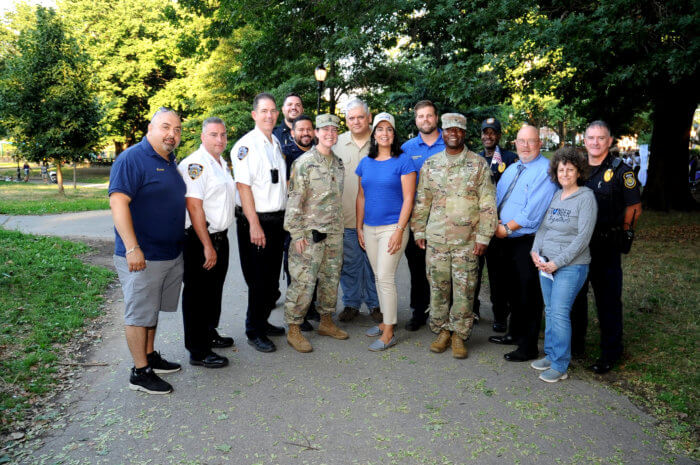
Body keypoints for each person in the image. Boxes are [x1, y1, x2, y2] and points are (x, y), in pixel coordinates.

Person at [109, 108, 185, 394]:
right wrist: (132, 248)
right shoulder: (132, 158)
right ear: (150, 128)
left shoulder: (168, 160)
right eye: (166, 127)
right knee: (139, 314)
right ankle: (140, 373)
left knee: (152, 312)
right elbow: (118, 203)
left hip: (168, 254)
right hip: (142, 256)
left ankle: (150, 357)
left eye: (177, 130)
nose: (172, 134)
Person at [412, 113, 497, 358]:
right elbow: (422, 200)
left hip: (467, 242)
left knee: (465, 289)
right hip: (437, 239)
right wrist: (418, 229)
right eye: (449, 129)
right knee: (438, 287)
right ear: (443, 132)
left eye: (458, 130)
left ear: (464, 133)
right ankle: (442, 330)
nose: (453, 134)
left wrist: (483, 237)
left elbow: (488, 204)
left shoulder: (478, 164)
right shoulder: (431, 164)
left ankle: (460, 334)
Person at [570, 121, 642, 374]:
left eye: (601, 138)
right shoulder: (578, 170)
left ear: (609, 141)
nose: (596, 142)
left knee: (608, 301)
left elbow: (634, 208)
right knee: (576, 297)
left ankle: (611, 352)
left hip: (606, 245)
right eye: (591, 138)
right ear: (585, 141)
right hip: (579, 245)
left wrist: (625, 236)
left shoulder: (623, 172)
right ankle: (575, 345)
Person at [488, 124, 557, 362]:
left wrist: (506, 228)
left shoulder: (546, 171)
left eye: (531, 141)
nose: (525, 146)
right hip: (504, 239)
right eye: (521, 141)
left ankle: (528, 346)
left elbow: (534, 211)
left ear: (539, 143)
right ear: (515, 143)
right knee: (512, 290)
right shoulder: (512, 168)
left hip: (526, 240)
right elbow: (498, 197)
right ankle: (514, 334)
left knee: (528, 294)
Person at [530, 147, 597, 382]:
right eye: (561, 169)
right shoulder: (556, 196)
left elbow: (583, 237)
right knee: (550, 310)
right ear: (555, 172)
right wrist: (535, 252)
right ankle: (550, 354)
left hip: (571, 266)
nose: (565, 174)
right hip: (546, 265)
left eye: (570, 169)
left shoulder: (586, 197)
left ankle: (560, 365)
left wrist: (558, 262)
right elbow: (544, 227)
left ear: (579, 172)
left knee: (559, 312)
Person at [284, 114, 349, 352]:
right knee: (303, 282)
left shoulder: (339, 163)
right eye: (325, 130)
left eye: (334, 130)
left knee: (330, 281)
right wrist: (297, 234)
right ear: (316, 134)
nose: (330, 134)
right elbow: (294, 200)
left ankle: (326, 321)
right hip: (309, 235)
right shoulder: (304, 163)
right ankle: (293, 328)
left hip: (333, 232)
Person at [231, 92, 287, 353]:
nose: (269, 115)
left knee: (272, 278)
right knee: (258, 279)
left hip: (277, 221)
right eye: (264, 111)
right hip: (256, 221)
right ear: (254, 115)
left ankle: (263, 321)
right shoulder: (245, 146)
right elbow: (243, 187)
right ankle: (254, 330)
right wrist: (254, 224)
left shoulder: (274, 142)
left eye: (273, 110)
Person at [356, 112, 417, 351]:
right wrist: (359, 226)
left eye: (389, 129)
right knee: (378, 277)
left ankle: (389, 331)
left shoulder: (404, 161)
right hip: (369, 228)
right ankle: (384, 321)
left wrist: (400, 230)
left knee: (385, 277)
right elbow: (361, 197)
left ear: (394, 134)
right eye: (380, 129)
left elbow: (409, 198)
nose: (384, 133)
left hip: (393, 227)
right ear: (374, 134)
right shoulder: (366, 163)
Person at [177, 117, 235, 369]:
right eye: (214, 134)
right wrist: (207, 246)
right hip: (201, 240)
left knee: (214, 291)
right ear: (203, 136)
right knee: (197, 295)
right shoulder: (195, 164)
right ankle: (198, 350)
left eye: (223, 135)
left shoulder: (221, 163)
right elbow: (194, 206)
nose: (220, 139)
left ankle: (209, 333)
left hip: (220, 237)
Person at [400, 100, 445, 332]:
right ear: (416, 120)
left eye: (429, 116)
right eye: (421, 116)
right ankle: (418, 311)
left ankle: (442, 313)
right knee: (417, 268)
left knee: (441, 268)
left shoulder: (448, 143)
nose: (425, 120)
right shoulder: (407, 148)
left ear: (436, 118)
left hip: (444, 219)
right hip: (416, 218)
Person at [333, 99, 380, 323]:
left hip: (376, 219)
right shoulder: (337, 143)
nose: (356, 121)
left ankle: (376, 304)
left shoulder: (381, 140)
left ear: (369, 117)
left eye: (360, 117)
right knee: (349, 264)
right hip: (346, 217)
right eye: (351, 118)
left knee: (374, 264)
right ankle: (351, 303)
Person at [474, 117, 519, 331]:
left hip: (500, 226)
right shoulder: (475, 158)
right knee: (473, 270)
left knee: (498, 275)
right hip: (477, 225)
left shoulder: (510, 159)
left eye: (492, 132)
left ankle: (500, 316)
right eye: (485, 132)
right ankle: (471, 310)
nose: (487, 136)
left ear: (499, 135)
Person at [281, 114, 319, 331]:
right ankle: (298, 315)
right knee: (297, 269)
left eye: (309, 129)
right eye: (301, 130)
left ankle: (310, 307)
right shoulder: (285, 155)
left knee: (314, 266)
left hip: (317, 220)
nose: (305, 133)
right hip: (295, 221)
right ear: (293, 133)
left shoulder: (319, 153)